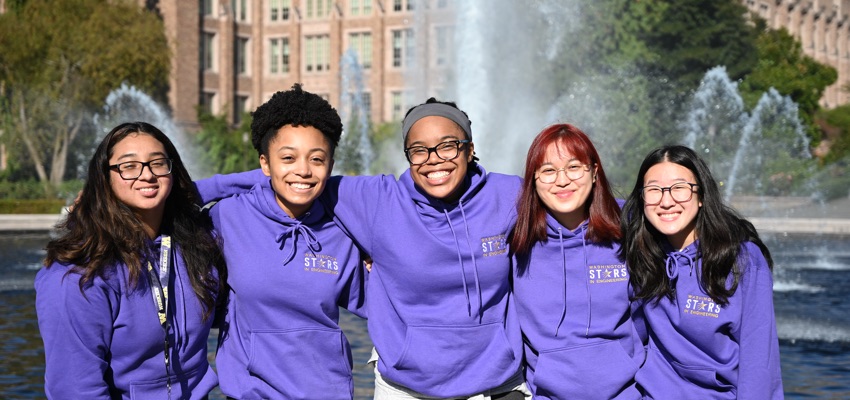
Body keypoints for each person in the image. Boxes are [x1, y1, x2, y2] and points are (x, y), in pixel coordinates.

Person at [197, 97, 529, 399]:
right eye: (419, 150)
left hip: (493, 380)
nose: (434, 159)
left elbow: (562, 200)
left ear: (469, 150)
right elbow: (180, 200)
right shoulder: (232, 216)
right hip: (393, 387)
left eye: (448, 146)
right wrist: (233, 181)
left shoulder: (508, 194)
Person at [198, 84, 366, 399]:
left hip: (329, 392)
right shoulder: (230, 216)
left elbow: (387, 299)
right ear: (264, 163)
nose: (302, 170)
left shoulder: (343, 229)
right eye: (287, 158)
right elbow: (173, 204)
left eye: (317, 159)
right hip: (251, 392)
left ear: (330, 165)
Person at [35, 122, 225, 399]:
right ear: (104, 178)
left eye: (158, 163)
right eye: (129, 166)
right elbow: (75, 389)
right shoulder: (78, 274)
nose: (147, 175)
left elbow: (278, 182)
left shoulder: (194, 248)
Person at [620, 145, 783, 399]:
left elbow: (760, 362)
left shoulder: (743, 260)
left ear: (701, 195)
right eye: (653, 190)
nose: (666, 200)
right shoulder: (643, 254)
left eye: (680, 188)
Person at [509, 124, 644, 399]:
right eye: (548, 171)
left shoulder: (630, 228)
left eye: (574, 167)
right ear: (533, 179)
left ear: (594, 173)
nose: (562, 181)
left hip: (628, 393)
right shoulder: (515, 240)